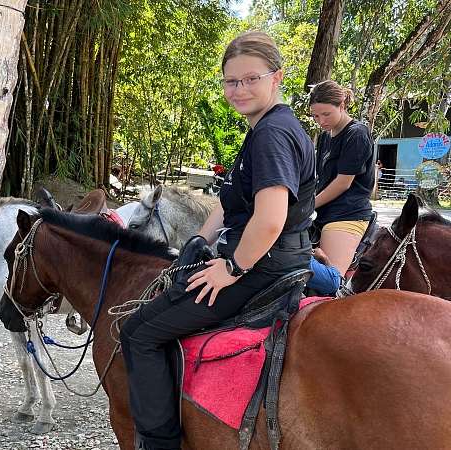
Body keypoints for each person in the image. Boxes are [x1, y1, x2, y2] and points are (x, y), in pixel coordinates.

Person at [120, 31, 315, 450]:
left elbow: (269, 218)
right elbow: (231, 206)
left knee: (138, 332)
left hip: (261, 267)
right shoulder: (269, 127)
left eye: (250, 79)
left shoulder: (271, 135)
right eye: (231, 81)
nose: (239, 89)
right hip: (279, 259)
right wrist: (196, 242)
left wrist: (231, 268)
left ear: (276, 77)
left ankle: (160, 443)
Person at [306, 80, 374, 295]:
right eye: (316, 116)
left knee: (329, 282)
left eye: (326, 114)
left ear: (342, 105)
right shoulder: (326, 136)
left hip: (347, 214)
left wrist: (308, 205)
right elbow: (321, 178)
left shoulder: (357, 133)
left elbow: (343, 183)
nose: (321, 121)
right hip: (323, 212)